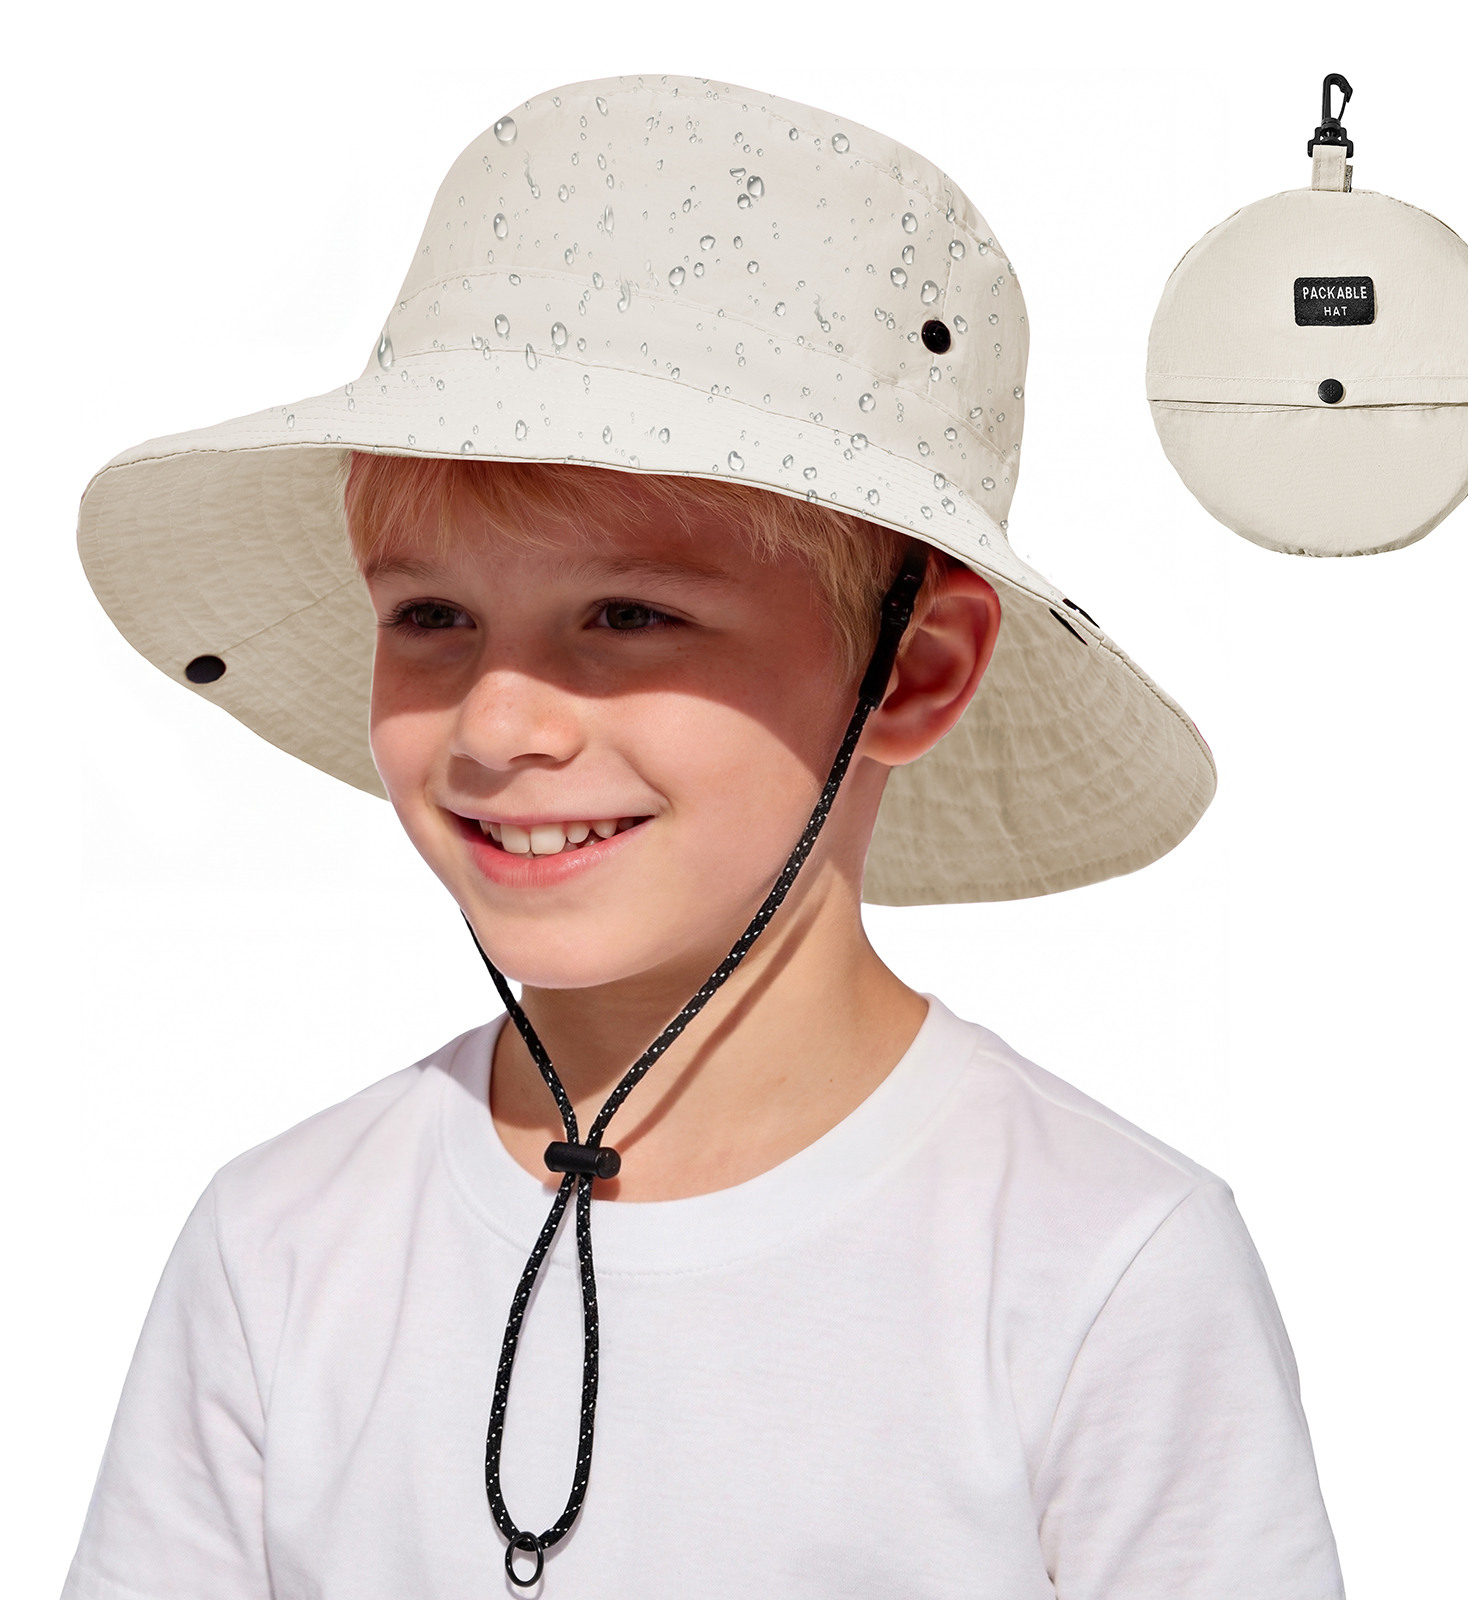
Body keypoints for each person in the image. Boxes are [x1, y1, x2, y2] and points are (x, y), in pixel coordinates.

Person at [64, 75, 1342, 1597]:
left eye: (627, 614)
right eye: (432, 616)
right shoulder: (280, 1248)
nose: (497, 725)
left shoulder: (1100, 1268)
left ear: (913, 669)